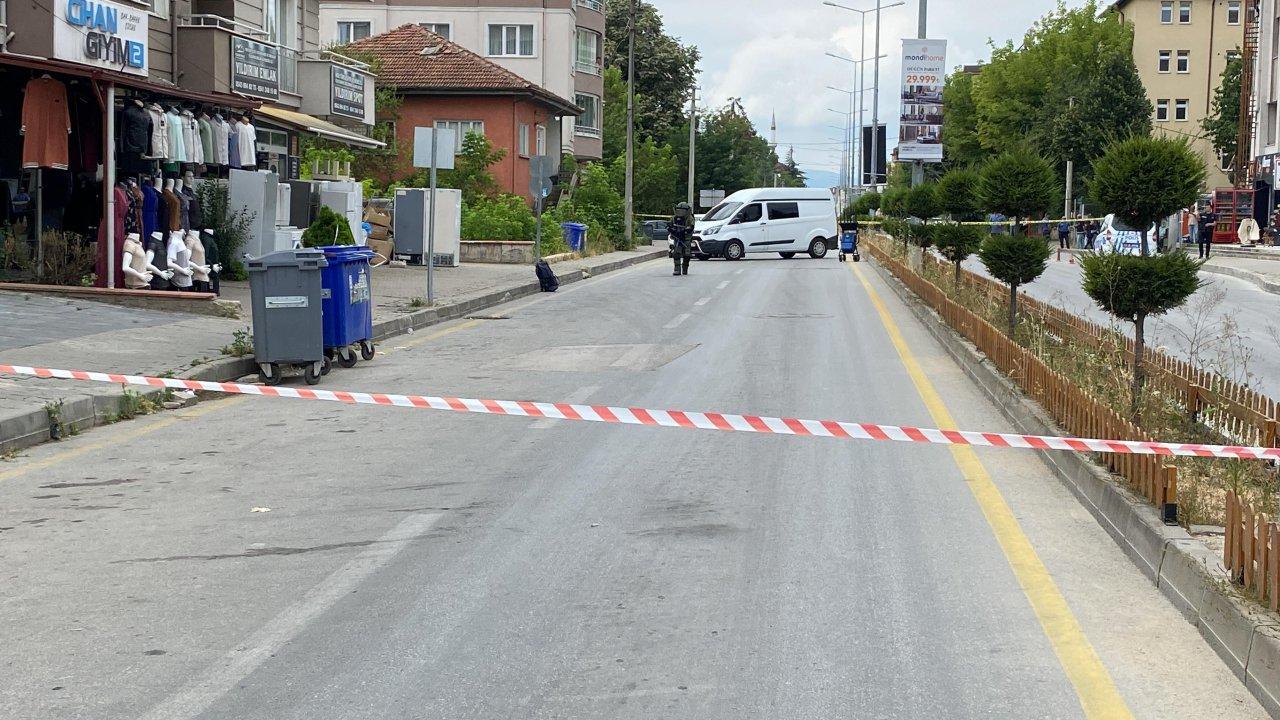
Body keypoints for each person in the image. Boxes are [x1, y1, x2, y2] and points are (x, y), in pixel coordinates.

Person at [670, 201, 694, 276]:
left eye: (682, 210)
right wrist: (672, 230)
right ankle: (677, 269)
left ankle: (685, 268)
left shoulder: (690, 218)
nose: (680, 212)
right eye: (679, 210)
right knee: (676, 253)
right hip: (677, 238)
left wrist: (685, 230)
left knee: (687, 255)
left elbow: (691, 227)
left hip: (686, 238)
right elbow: (670, 226)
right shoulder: (674, 218)